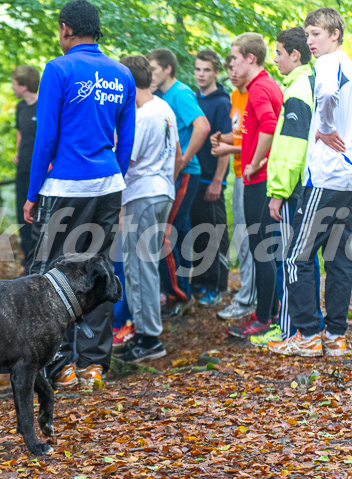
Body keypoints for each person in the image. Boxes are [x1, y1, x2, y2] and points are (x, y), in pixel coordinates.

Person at [23, 0, 136, 388]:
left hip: (65, 186)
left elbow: (46, 138)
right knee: (98, 268)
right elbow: (127, 144)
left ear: (66, 28)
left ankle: (59, 366)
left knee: (52, 274)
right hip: (108, 186)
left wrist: (33, 192)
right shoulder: (123, 74)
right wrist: (113, 180)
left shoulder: (58, 69)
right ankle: (93, 365)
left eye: (59, 30)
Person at [268, 8, 352, 356]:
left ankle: (307, 336)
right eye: (307, 35)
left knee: (296, 256)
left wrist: (326, 128)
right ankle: (336, 336)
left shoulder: (327, 66)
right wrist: (347, 130)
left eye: (315, 34)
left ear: (334, 34)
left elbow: (328, 95)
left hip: (327, 175)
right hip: (351, 176)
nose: (309, 42)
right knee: (337, 256)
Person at [250, 27, 324, 346]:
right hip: (303, 184)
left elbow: (292, 147)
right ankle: (309, 326)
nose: (275, 59)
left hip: (292, 189)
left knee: (288, 259)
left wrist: (278, 192)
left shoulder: (297, 90)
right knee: (303, 258)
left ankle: (290, 331)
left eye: (279, 53)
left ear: (295, 55)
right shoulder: (304, 83)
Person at [115, 55, 179, 362]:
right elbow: (177, 153)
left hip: (143, 192)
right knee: (146, 265)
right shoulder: (163, 107)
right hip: (162, 190)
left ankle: (148, 337)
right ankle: (145, 332)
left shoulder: (141, 117)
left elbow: (127, 157)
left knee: (139, 268)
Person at [224, 33, 283, 339]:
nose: (230, 64)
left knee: (261, 249)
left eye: (233, 58)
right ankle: (269, 312)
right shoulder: (264, 84)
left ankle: (264, 319)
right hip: (261, 179)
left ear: (250, 58)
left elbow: (270, 126)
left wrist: (255, 163)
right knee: (265, 249)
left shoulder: (259, 88)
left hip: (259, 181)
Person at [147, 48, 210, 319]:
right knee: (179, 231)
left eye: (153, 69)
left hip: (184, 173)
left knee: (165, 233)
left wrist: (183, 160)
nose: (150, 75)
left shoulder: (180, 93)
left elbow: (202, 126)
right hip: (169, 174)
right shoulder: (160, 96)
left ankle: (178, 295)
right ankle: (178, 290)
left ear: (167, 69)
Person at [212, 56, 257, 321]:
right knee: (241, 237)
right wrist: (222, 138)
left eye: (235, 66)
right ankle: (247, 294)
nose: (232, 72)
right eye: (228, 68)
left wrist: (227, 147)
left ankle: (248, 298)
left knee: (247, 237)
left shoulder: (255, 93)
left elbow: (261, 138)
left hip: (252, 173)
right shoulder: (234, 96)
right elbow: (240, 135)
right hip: (240, 173)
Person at [190, 49, 232, 307]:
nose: (201, 75)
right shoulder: (193, 100)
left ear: (216, 72)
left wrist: (218, 180)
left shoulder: (222, 103)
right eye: (198, 69)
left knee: (214, 235)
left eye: (207, 70)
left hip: (211, 181)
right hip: (194, 179)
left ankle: (216, 286)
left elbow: (226, 144)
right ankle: (199, 282)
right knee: (197, 235)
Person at [11, 65, 40, 268]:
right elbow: (19, 131)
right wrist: (17, 151)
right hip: (22, 168)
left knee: (38, 215)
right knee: (22, 214)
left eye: (14, 83)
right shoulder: (20, 107)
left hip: (39, 170)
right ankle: (27, 261)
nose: (12, 87)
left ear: (24, 86)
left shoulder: (44, 106)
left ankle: (40, 261)